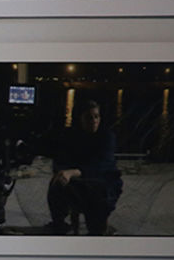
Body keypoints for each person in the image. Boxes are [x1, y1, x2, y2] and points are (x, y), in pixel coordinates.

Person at [45, 100, 122, 236]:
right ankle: (59, 224)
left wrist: (74, 172)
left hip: (103, 181)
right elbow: (61, 158)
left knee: (96, 227)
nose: (93, 121)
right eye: (88, 117)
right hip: (78, 181)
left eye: (96, 116)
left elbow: (101, 165)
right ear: (80, 118)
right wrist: (62, 172)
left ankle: (99, 225)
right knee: (57, 183)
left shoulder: (107, 136)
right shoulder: (71, 135)